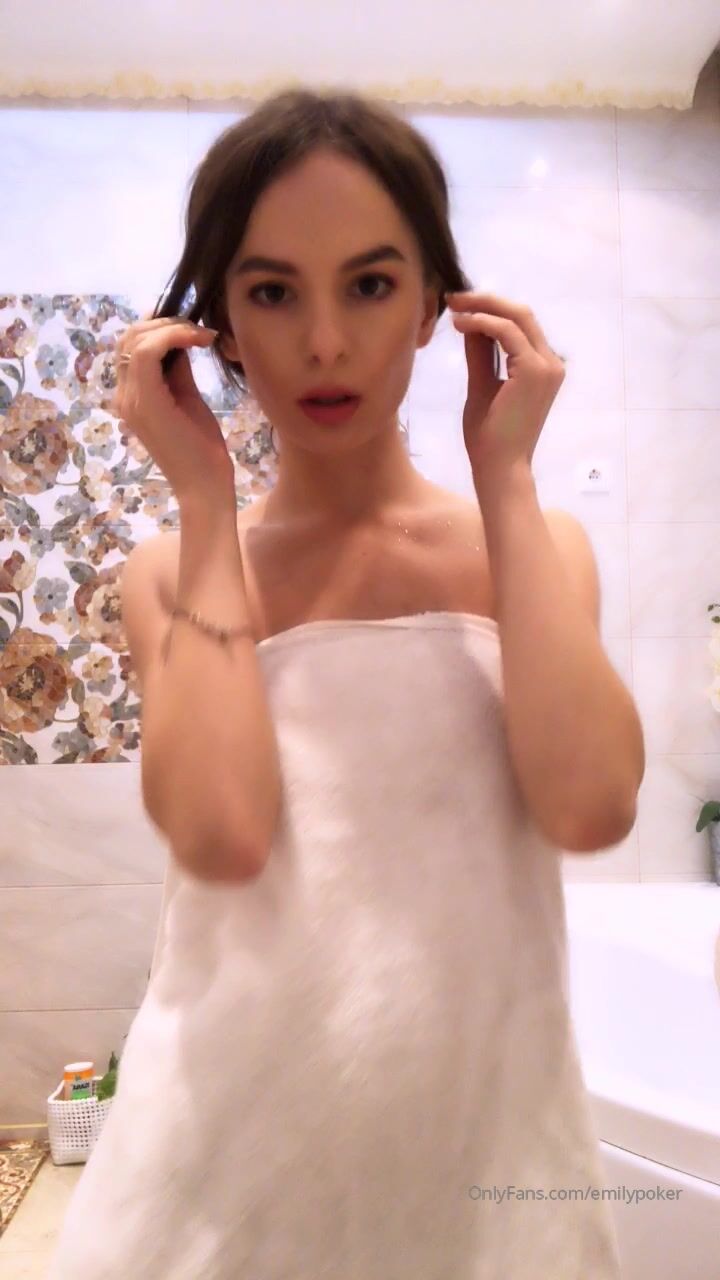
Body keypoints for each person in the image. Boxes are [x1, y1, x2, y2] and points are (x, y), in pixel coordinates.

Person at [47, 88, 624, 1278]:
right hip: (217, 1164)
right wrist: (205, 503)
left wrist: (506, 481)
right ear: (216, 327)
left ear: (432, 308)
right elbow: (222, 836)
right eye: (272, 292)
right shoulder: (170, 572)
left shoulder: (535, 548)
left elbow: (589, 806)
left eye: (369, 284)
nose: (323, 342)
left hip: (483, 1156)